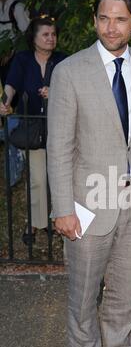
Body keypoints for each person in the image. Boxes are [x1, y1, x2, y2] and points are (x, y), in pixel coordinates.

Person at [47, 0, 131, 347]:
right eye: (104, 18)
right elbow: (59, 146)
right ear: (95, 20)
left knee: (125, 290)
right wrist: (61, 209)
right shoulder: (69, 71)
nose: (111, 27)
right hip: (87, 204)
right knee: (83, 289)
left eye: (121, 19)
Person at [0, 16, 66, 244]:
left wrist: (55, 90)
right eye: (45, 34)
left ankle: (54, 220)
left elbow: (73, 89)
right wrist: (5, 101)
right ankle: (35, 222)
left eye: (53, 34)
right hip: (32, 128)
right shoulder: (22, 60)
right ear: (34, 38)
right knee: (38, 178)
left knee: (57, 179)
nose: (51, 38)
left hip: (60, 128)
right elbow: (11, 84)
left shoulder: (63, 60)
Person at [0, 0, 30, 88]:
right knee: (5, 86)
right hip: (3, 57)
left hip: (15, 57)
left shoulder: (18, 8)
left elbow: (25, 34)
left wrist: (11, 52)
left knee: (16, 90)